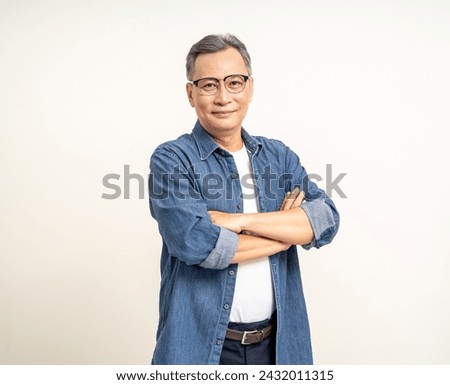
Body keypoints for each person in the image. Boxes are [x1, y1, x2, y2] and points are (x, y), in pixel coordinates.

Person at [148, 33, 339, 365]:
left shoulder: (278, 157)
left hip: (278, 347)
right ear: (190, 93)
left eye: (234, 82)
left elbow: (325, 220)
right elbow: (197, 243)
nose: (223, 97)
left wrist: (240, 221)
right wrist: (285, 235)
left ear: (249, 88)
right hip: (200, 348)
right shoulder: (172, 159)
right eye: (209, 85)